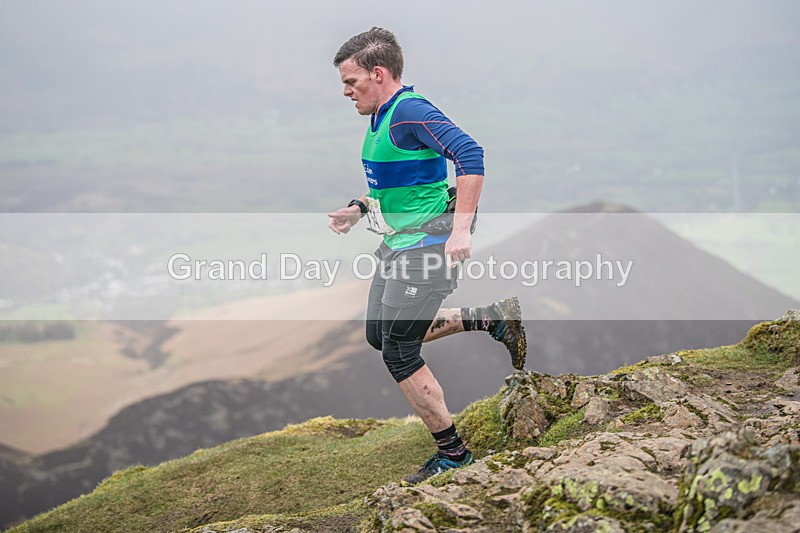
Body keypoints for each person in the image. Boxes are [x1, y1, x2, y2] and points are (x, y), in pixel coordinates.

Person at [328, 27, 526, 485]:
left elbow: (470, 154)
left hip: (427, 247)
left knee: (399, 351)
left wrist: (460, 230)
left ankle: (454, 455)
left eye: (351, 81)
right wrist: (359, 208)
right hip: (399, 244)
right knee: (379, 336)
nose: (346, 91)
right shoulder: (382, 118)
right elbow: (403, 184)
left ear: (378, 74)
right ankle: (491, 318)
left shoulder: (409, 112)